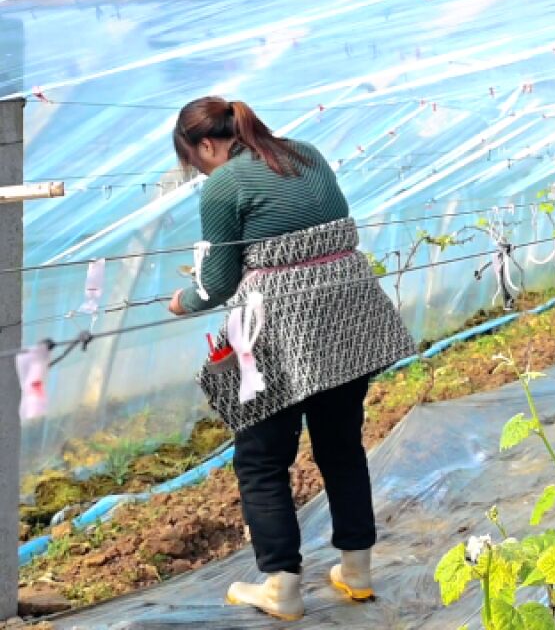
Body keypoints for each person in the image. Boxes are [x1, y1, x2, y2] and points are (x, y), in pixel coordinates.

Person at [168, 97, 414, 621]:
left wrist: (183, 301)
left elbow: (217, 285)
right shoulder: (305, 153)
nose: (200, 171)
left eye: (196, 161)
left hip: (279, 328)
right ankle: (357, 572)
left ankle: (281, 586)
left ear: (206, 145)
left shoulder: (224, 183)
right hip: (351, 316)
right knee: (341, 446)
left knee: (261, 459)